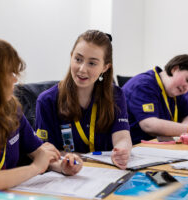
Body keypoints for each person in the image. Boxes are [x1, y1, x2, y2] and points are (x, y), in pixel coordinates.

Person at [0, 36, 82, 190]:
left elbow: (39, 152)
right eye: (9, 73)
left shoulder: (10, 108)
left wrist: (62, 166)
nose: (15, 79)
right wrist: (34, 169)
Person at [35, 30, 132, 169]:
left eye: (92, 63)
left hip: (107, 171)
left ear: (105, 67)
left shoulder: (115, 94)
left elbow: (122, 137)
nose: (82, 69)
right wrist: (68, 162)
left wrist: (122, 151)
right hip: (66, 176)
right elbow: (44, 152)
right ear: (71, 56)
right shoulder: (47, 101)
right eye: (78, 59)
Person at [122, 54, 188, 144]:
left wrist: (184, 129)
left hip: (157, 147)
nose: (186, 89)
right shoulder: (143, 85)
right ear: (175, 69)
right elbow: (149, 125)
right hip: (132, 148)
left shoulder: (175, 92)